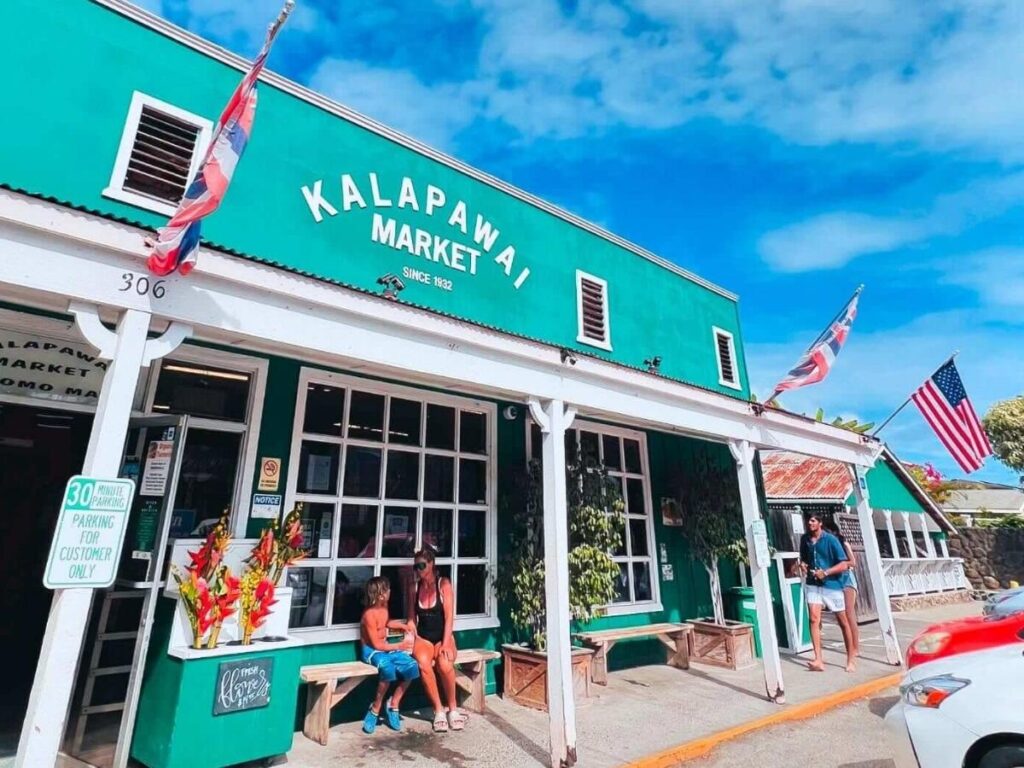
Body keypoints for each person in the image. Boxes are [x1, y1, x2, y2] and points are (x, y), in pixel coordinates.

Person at [408, 547, 465, 733]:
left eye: (422, 565)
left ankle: (453, 708)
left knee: (445, 664)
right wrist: (411, 635)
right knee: (424, 664)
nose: (418, 570)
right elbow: (411, 617)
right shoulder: (414, 587)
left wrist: (447, 641)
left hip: (442, 635)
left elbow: (449, 617)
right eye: (415, 567)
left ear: (432, 564)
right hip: (424, 636)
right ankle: (438, 710)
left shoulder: (444, 584)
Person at [359, 576, 419, 734]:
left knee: (412, 666)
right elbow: (376, 644)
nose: (390, 592)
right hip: (371, 650)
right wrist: (400, 645)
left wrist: (401, 625)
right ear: (380, 595)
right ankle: (375, 708)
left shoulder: (384, 607)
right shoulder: (368, 615)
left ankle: (394, 703)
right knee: (387, 668)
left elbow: (386, 624)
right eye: (387, 590)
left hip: (386, 646)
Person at [797, 513, 856, 672]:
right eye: (808, 521)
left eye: (813, 520)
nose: (810, 523)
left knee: (842, 621)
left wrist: (827, 572)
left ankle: (850, 659)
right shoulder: (805, 540)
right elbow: (804, 558)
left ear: (820, 523)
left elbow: (844, 564)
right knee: (814, 619)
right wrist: (803, 565)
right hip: (813, 583)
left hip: (832, 584)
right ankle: (818, 659)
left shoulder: (831, 540)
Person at [824, 519, 860, 660]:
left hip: (847, 580)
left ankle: (856, 647)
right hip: (835, 582)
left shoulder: (843, 544)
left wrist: (840, 564)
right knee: (841, 616)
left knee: (850, 614)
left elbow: (853, 562)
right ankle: (849, 647)